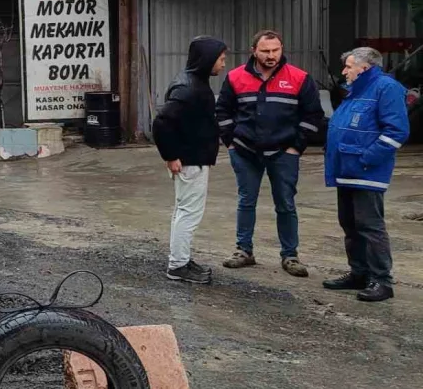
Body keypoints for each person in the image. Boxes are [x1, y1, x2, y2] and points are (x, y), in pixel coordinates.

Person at [215, 30, 324, 277]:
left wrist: (296, 146)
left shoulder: (299, 78)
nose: (271, 55)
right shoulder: (235, 78)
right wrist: (231, 142)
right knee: (246, 200)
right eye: (265, 51)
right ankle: (244, 251)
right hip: (244, 151)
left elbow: (313, 115)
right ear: (253, 50)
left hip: (284, 152)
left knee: (285, 203)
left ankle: (290, 255)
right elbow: (222, 112)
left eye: (276, 50)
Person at [323, 47, 408, 302]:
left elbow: (397, 131)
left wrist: (367, 158)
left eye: (348, 66)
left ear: (365, 67)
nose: (344, 71)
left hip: (365, 172)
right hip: (347, 170)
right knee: (350, 224)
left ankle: (381, 280)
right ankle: (359, 272)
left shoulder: (385, 88)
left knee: (370, 226)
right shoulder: (356, 91)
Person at [153, 36, 228, 284]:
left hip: (192, 158)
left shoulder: (194, 82)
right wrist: (171, 155)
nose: (223, 64)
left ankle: (181, 259)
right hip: (190, 160)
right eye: (221, 59)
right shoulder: (189, 89)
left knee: (182, 211)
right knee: (188, 214)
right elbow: (162, 122)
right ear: (207, 59)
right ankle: (178, 265)